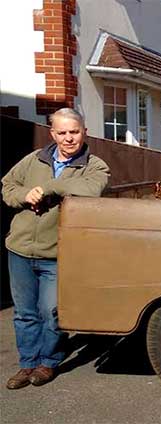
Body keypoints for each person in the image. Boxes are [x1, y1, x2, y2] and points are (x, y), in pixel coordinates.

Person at [2, 108, 110, 389]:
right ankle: (27, 364)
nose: (68, 138)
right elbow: (7, 186)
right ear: (53, 133)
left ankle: (47, 362)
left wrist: (48, 187)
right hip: (21, 249)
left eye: (74, 132)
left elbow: (92, 189)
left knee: (52, 310)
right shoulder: (33, 159)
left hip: (57, 252)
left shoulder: (94, 165)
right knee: (25, 312)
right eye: (62, 133)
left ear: (84, 131)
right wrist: (25, 195)